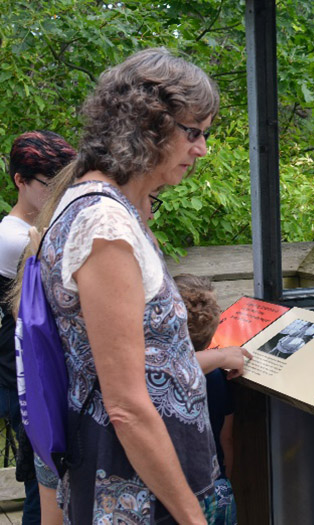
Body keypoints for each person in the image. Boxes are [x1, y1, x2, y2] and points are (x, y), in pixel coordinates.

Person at [10, 48, 247, 523]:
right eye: (194, 132)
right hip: (134, 495)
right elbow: (126, 406)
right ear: (147, 124)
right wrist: (193, 517)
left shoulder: (93, 205)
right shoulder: (104, 225)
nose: (201, 149)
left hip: (142, 485)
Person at [0, 130, 76, 524]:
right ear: (20, 180)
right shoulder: (15, 239)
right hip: (22, 376)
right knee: (40, 484)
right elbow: (28, 316)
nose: (59, 193)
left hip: (29, 372)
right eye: (50, 184)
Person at [175, 273, 251, 525]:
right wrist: (226, 476)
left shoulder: (156, 372)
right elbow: (226, 436)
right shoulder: (217, 376)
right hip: (214, 484)